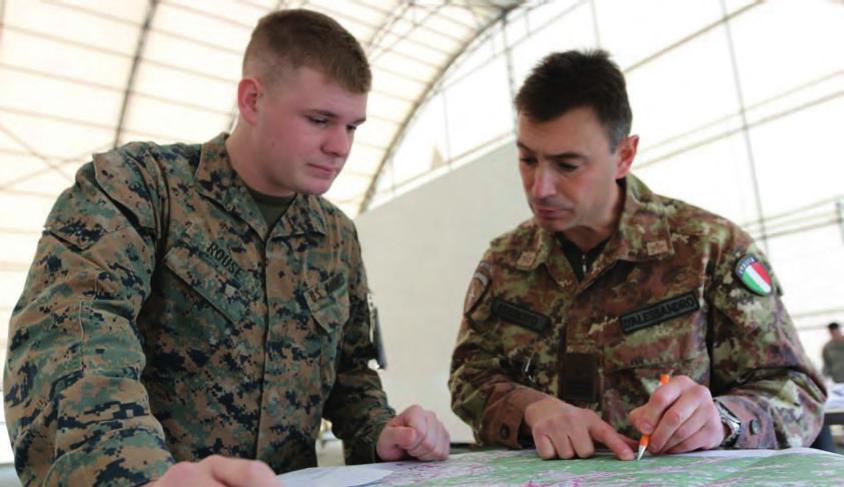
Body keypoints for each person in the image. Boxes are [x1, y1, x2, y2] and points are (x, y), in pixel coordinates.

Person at [4, 9, 449, 486]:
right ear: (253, 100)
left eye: (353, 127)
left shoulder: (336, 238)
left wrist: (382, 431)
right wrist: (139, 479)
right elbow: (70, 339)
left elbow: (349, 375)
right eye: (320, 120)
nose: (340, 146)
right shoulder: (141, 189)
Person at [449, 49, 826, 462]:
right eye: (527, 159)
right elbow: (470, 376)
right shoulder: (505, 261)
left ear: (624, 156)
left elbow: (797, 390)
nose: (540, 188)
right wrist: (529, 409)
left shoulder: (707, 251)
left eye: (568, 165)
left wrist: (723, 421)